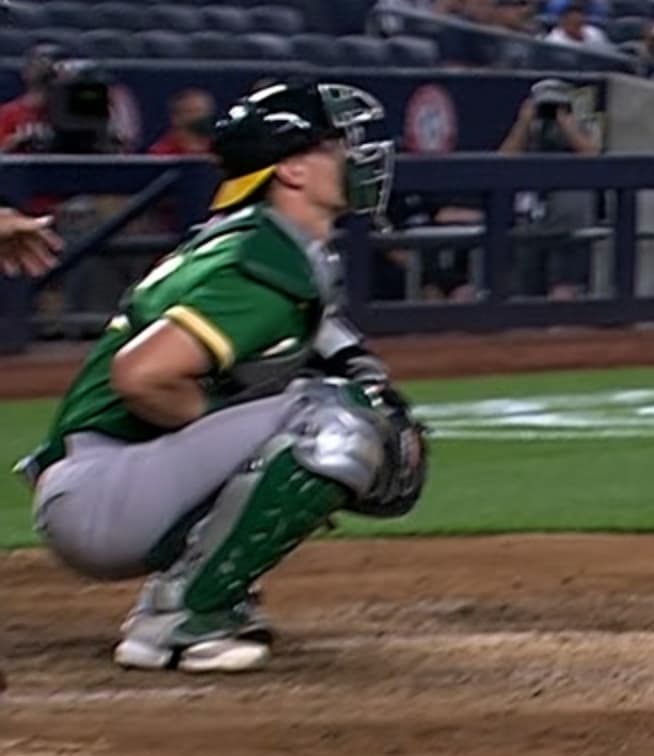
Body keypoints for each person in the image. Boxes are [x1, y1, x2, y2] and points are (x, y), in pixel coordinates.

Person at [17, 82, 426, 673]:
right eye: (336, 144)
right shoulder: (258, 263)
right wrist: (248, 443)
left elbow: (334, 350)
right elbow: (141, 376)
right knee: (336, 423)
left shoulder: (267, 243)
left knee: (333, 407)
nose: (357, 155)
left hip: (107, 480)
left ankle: (207, 591)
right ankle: (182, 617)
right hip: (101, 492)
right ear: (290, 170)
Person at [497, 79, 601, 300]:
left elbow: (593, 156)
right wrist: (524, 123)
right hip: (531, 218)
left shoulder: (582, 125)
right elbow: (503, 160)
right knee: (525, 291)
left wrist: (567, 124)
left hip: (570, 219)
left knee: (564, 290)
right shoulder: (529, 128)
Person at [145, 89, 216, 157]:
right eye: (193, 112)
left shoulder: (219, 147)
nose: (201, 117)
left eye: (205, 112)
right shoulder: (159, 154)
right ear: (175, 118)